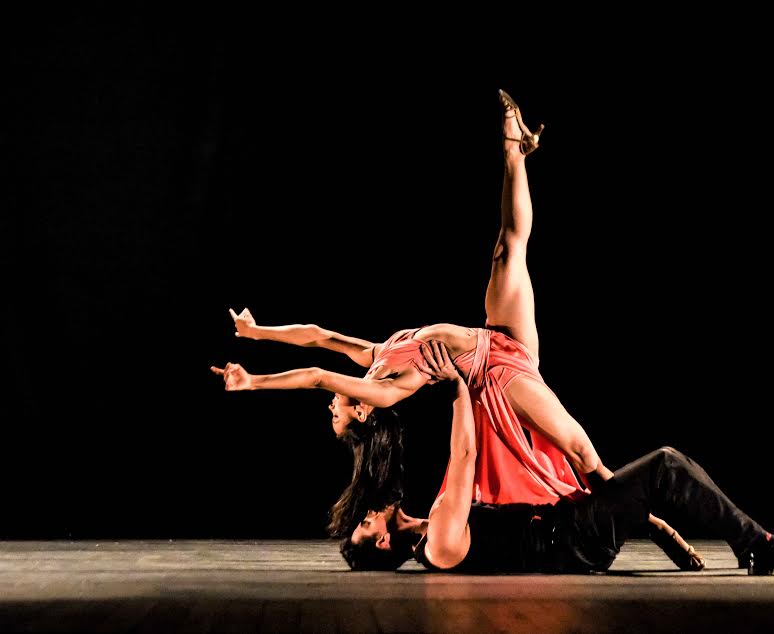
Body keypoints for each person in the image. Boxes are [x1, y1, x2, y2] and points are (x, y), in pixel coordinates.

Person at [211, 89, 702, 570]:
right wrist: (253, 382)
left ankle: (515, 152)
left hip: (498, 337)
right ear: (360, 410)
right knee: (583, 458)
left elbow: (319, 336)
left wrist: (259, 333)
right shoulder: (386, 391)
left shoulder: (376, 356)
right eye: (335, 416)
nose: (330, 409)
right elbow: (318, 375)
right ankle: (659, 527)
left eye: (331, 413)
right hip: (500, 376)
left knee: (507, 249)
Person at [344, 340, 774, 576]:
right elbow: (465, 453)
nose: (367, 515)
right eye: (365, 527)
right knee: (664, 464)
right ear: (384, 544)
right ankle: (760, 545)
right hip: (576, 540)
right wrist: (455, 384)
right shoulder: (439, 544)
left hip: (572, 528)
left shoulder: (434, 532)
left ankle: (749, 544)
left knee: (659, 470)